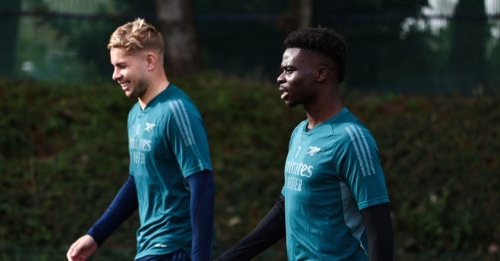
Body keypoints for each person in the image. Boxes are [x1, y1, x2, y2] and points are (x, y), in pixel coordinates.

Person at [217, 27, 394, 260]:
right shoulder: (299, 133)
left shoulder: (351, 139)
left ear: (321, 74)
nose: (280, 78)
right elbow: (285, 207)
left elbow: (379, 232)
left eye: (289, 70)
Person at [66, 18, 215, 261]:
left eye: (122, 66)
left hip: (173, 249)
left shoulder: (177, 112)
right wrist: (95, 236)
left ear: (149, 61)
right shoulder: (135, 114)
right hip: (148, 248)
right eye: (113, 67)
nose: (115, 75)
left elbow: (202, 185)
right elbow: (138, 181)